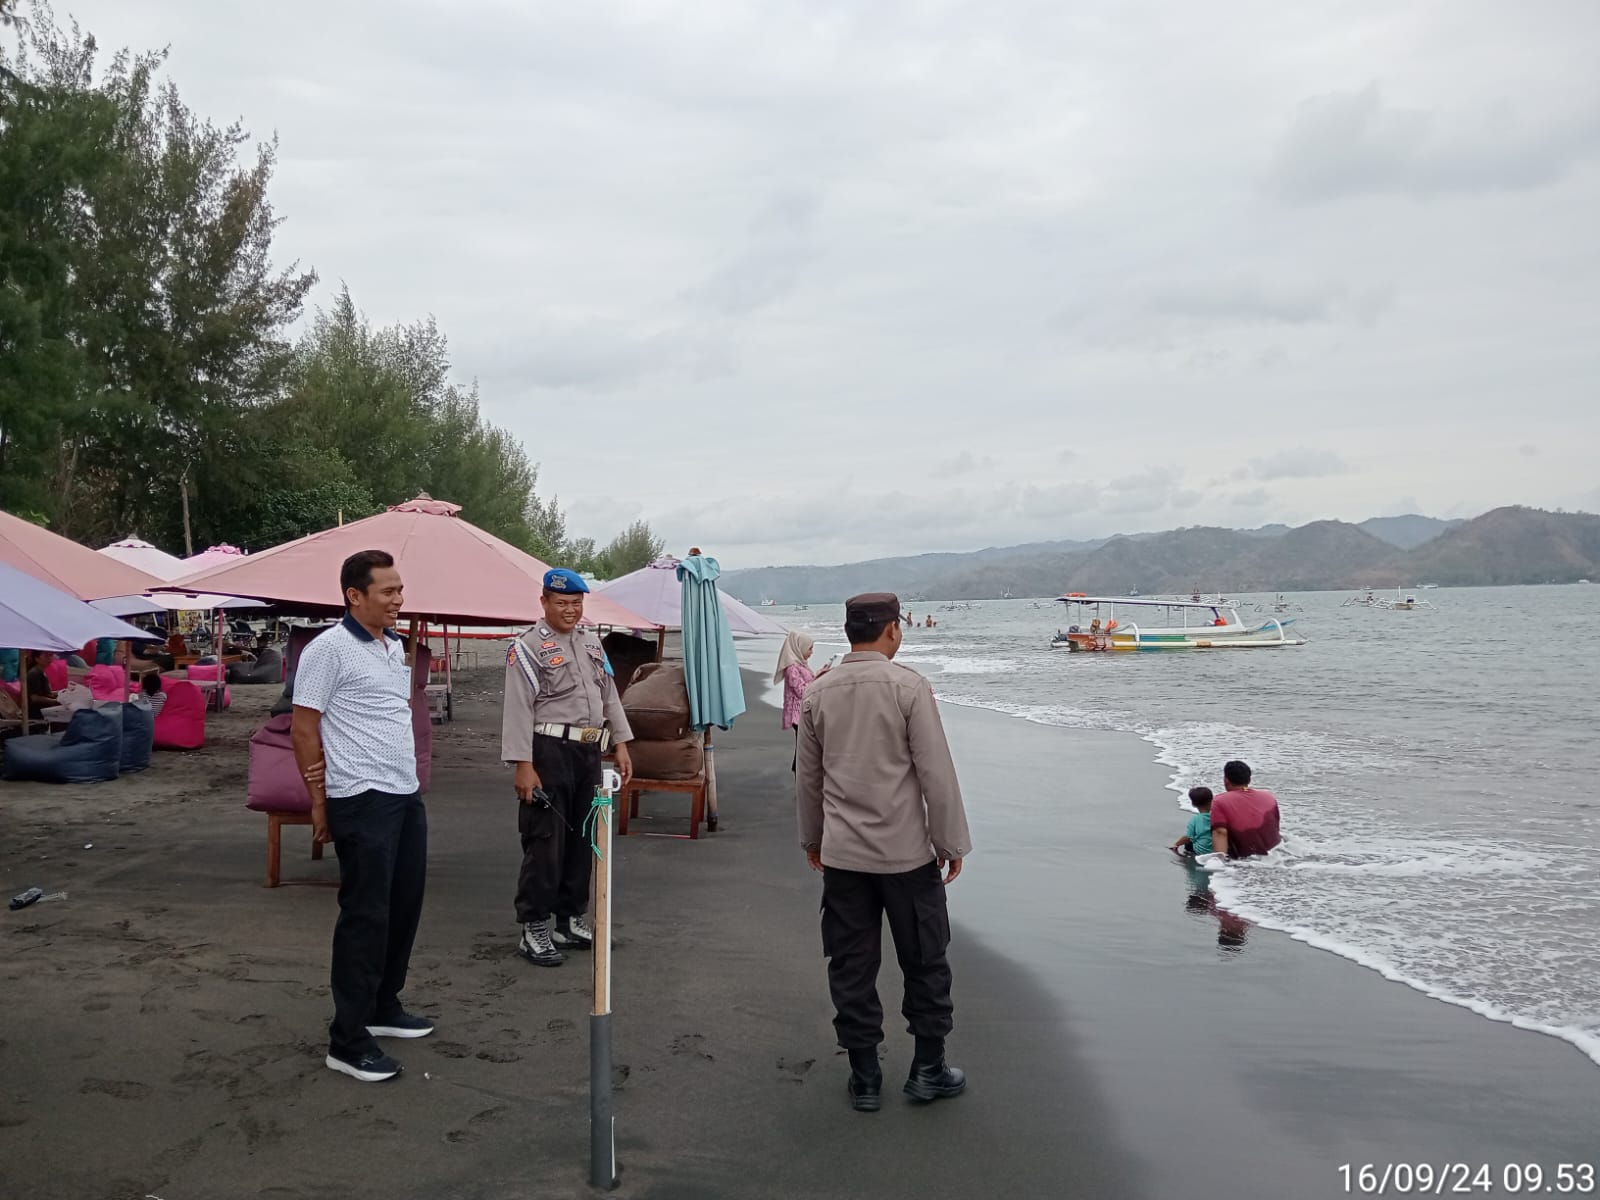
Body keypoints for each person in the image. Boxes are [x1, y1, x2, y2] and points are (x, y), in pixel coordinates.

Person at [797, 591, 972, 1113]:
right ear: (893, 629)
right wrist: (950, 842)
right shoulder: (909, 687)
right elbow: (935, 772)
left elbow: (807, 780)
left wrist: (813, 840)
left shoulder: (819, 693)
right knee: (924, 959)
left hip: (845, 857)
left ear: (850, 631)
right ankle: (927, 1069)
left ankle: (866, 1074)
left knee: (851, 964)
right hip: (906, 857)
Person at [291, 549, 432, 1084]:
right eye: (388, 591)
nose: (399, 599)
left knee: (403, 904)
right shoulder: (327, 649)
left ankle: (382, 1004)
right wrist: (319, 801)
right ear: (355, 595)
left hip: (403, 793)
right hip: (360, 796)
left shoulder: (392, 646)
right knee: (365, 916)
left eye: (400, 589)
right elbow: (305, 728)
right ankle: (347, 1039)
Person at [501, 568, 635, 968]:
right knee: (545, 840)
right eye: (562, 603)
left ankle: (570, 918)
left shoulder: (592, 643)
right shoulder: (526, 647)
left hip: (588, 752)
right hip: (548, 750)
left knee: (583, 838)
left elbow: (608, 694)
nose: (570, 610)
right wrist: (523, 765)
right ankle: (535, 925)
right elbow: (518, 709)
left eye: (576, 604)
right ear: (544, 602)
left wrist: (623, 744)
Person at [1209, 760, 1280, 858]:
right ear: (1249, 780)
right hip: (1275, 855)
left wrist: (1218, 863)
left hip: (1244, 859)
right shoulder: (1268, 797)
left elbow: (1220, 832)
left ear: (1226, 780)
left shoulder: (1220, 801)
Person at [775, 630, 817, 769]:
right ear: (800, 648)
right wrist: (816, 683)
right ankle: (799, 769)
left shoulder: (801, 665)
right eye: (810, 648)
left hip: (802, 712)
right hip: (796, 714)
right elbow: (801, 691)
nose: (812, 652)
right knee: (802, 743)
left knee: (802, 743)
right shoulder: (792, 668)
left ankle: (799, 768)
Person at [1171, 786, 1213, 856]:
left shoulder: (1195, 819)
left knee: (1189, 842)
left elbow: (1188, 837)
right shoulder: (1218, 816)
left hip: (1200, 852)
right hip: (1217, 849)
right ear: (1212, 800)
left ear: (1193, 804)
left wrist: (1176, 844)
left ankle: (1186, 856)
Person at [23, 652, 57, 722]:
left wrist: (63, 692)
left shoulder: (42, 672)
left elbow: (47, 693)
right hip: (37, 712)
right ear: (37, 659)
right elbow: (35, 698)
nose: (49, 658)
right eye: (46, 656)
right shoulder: (34, 674)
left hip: (44, 708)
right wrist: (54, 701)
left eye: (50, 655)